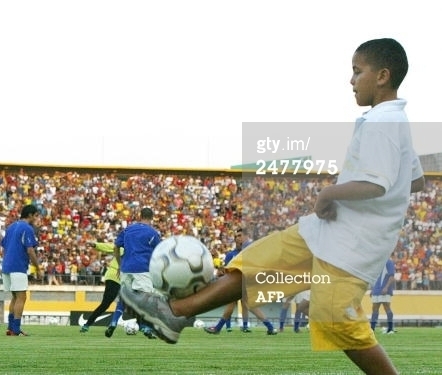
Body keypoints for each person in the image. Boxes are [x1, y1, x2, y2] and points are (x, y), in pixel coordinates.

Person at [120, 38, 424, 375]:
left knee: (336, 319)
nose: (351, 81)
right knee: (252, 265)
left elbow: (376, 183)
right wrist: (383, 201)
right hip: (327, 232)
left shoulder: (384, 123)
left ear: (382, 76)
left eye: (357, 72)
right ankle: (172, 313)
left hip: (351, 245)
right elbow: (415, 180)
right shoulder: (391, 121)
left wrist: (330, 195)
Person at [205, 229, 276, 335]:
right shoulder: (231, 255)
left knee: (232, 304)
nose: (239, 237)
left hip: (244, 282)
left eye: (241, 235)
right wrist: (221, 273)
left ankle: (218, 328)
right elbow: (227, 270)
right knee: (249, 306)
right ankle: (270, 327)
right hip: (236, 283)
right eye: (237, 236)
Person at [114, 207, 161, 339]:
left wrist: (119, 265)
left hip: (126, 268)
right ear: (152, 218)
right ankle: (145, 326)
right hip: (143, 269)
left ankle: (113, 322)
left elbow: (116, 246)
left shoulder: (128, 229)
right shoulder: (152, 232)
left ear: (140, 215)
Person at [1, 204, 43, 336]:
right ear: (30, 215)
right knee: (21, 297)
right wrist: (38, 268)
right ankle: (16, 328)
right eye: (35, 215)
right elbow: (30, 250)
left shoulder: (11, 226)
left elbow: (4, 245)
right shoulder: (27, 228)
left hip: (7, 265)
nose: (36, 218)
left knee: (14, 297)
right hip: (18, 266)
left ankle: (11, 327)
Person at [80, 241, 125, 337]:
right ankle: (87, 324)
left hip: (121, 279)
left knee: (111, 304)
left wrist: (96, 245)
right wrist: (96, 245)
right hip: (115, 277)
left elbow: (109, 247)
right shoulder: (125, 249)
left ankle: (88, 324)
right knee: (106, 304)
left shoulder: (133, 251)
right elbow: (109, 247)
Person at [370, 255, 396, 334]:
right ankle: (372, 329)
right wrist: (372, 289)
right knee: (374, 308)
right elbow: (374, 277)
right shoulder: (377, 264)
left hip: (384, 289)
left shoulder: (388, 262)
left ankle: (390, 328)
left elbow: (391, 277)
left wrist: (386, 287)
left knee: (386, 307)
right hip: (376, 289)